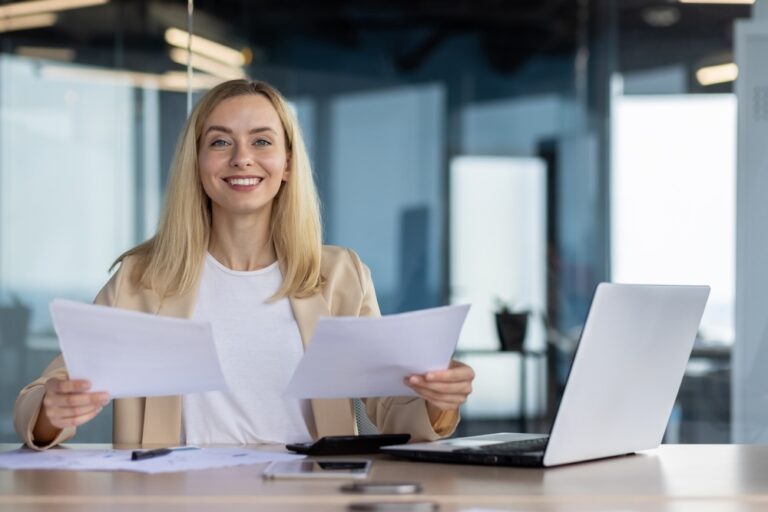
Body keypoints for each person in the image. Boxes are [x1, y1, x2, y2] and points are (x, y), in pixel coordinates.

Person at [13, 79, 475, 449]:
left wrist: (437, 401)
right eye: (219, 142)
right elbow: (46, 392)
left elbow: (389, 403)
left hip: (311, 501)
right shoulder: (141, 279)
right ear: (196, 163)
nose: (242, 158)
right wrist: (52, 413)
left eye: (261, 140)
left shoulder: (340, 276)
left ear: (288, 163)